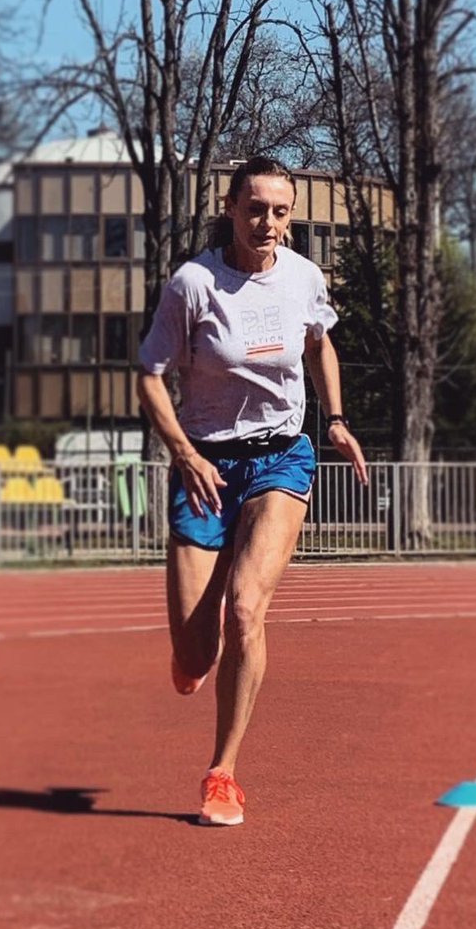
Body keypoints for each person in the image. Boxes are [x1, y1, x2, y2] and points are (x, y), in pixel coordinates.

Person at [137, 156, 368, 826]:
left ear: (290, 216)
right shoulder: (193, 284)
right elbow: (149, 375)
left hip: (280, 459)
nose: (266, 222)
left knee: (245, 608)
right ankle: (192, 657)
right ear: (230, 207)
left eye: (279, 210)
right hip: (204, 464)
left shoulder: (302, 278)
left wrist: (334, 419)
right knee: (194, 653)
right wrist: (182, 452)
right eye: (255, 208)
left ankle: (222, 773)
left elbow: (320, 343)